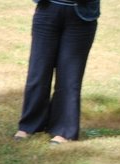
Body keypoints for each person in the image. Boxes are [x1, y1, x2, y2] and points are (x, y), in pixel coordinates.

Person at [14, 0, 100, 144]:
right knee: (38, 71)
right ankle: (30, 125)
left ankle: (63, 130)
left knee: (70, 76)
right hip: (48, 8)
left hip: (81, 14)